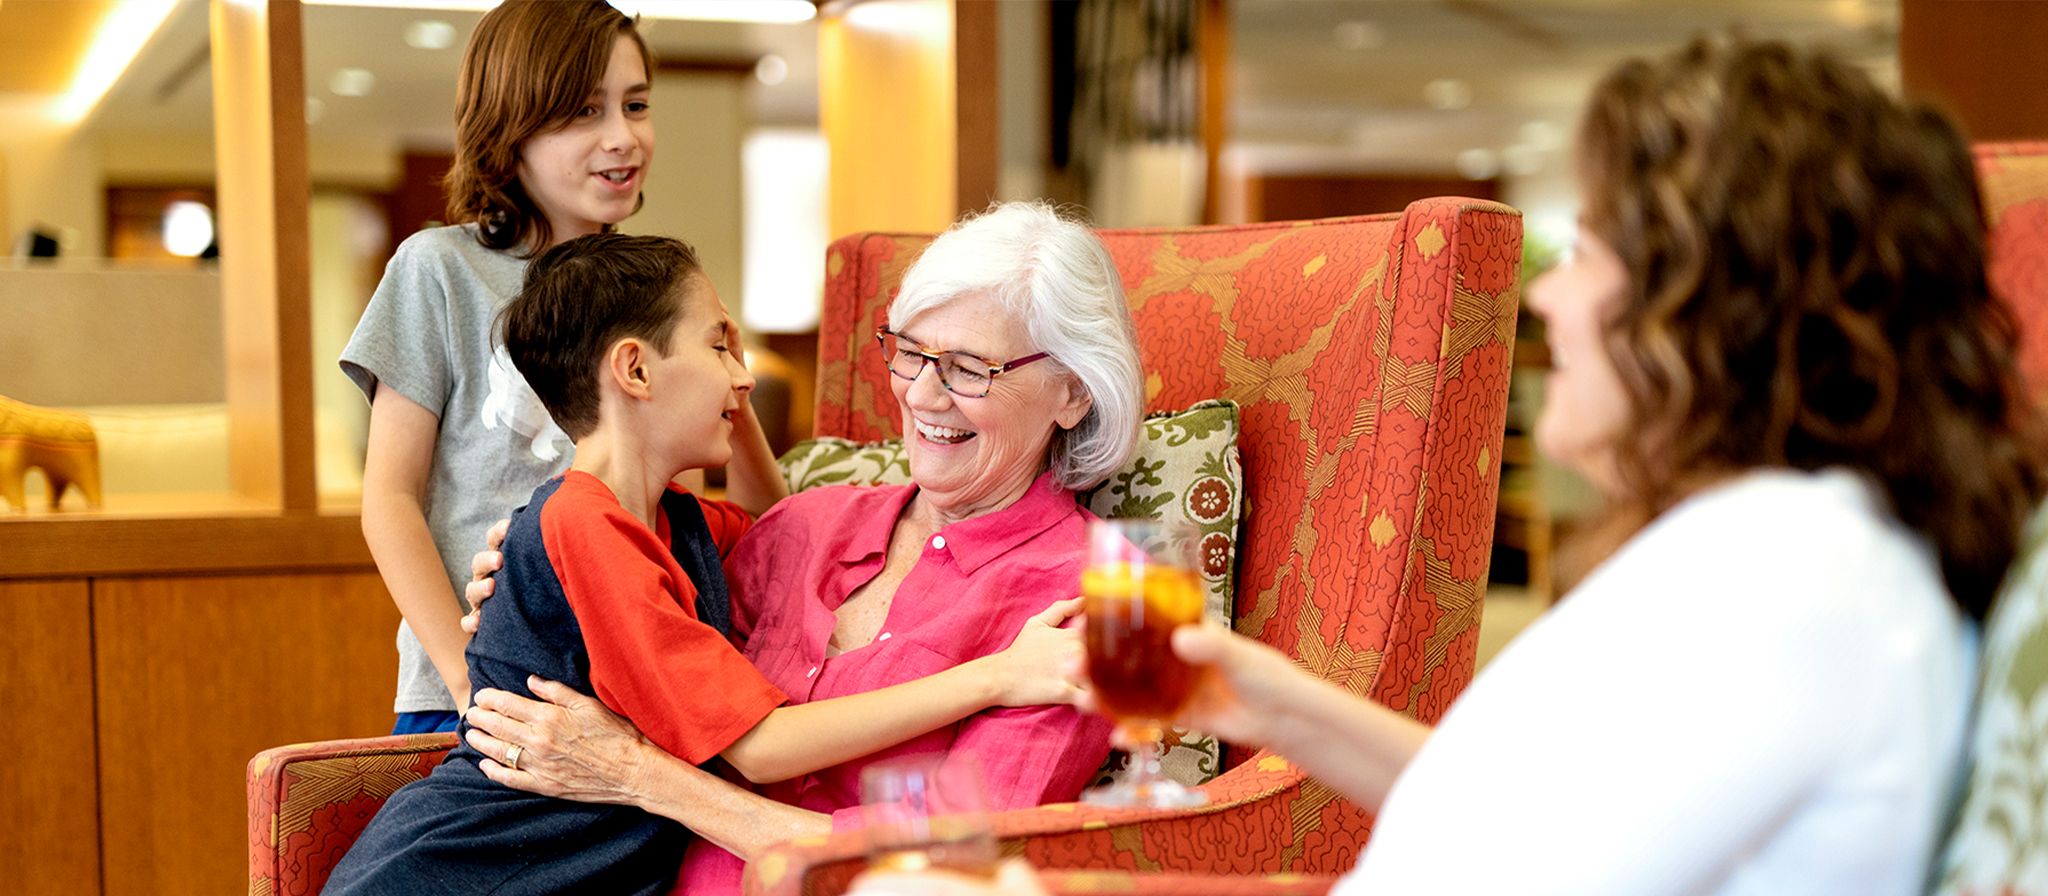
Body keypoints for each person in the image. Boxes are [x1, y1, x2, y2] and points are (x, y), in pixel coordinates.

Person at [854, 37, 2048, 896]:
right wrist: (1256, 693)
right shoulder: (1778, 545)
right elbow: (1525, 805)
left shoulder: (1789, 584)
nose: (1546, 294)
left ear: (1715, 305)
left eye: (1593, 251)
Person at [328, 234, 1083, 895]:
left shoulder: (670, 522)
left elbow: (775, 533)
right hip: (480, 867)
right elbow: (757, 745)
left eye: (968, 367)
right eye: (721, 347)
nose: (747, 378)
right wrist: (995, 675)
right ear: (634, 370)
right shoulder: (585, 526)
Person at [342, 1, 785, 735]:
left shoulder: (660, 290)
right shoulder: (440, 270)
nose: (624, 137)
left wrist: (722, 365)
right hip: (477, 694)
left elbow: (738, 526)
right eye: (583, 112)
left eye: (636, 105)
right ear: (510, 127)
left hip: (640, 691)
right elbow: (389, 498)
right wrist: (466, 679)